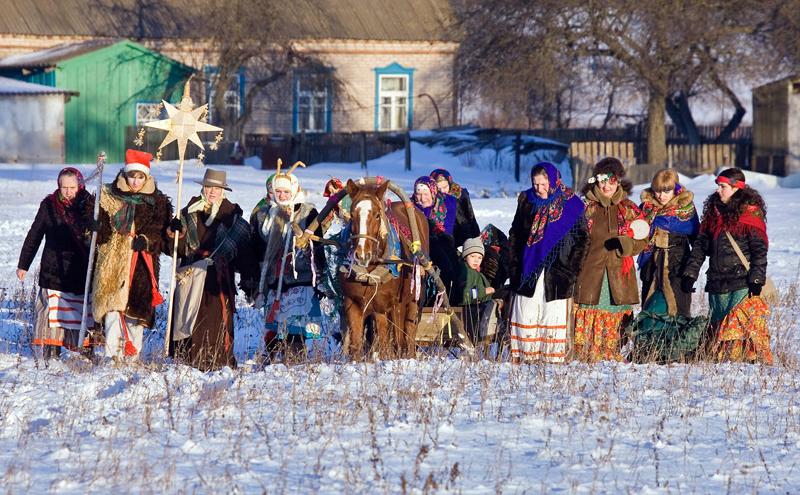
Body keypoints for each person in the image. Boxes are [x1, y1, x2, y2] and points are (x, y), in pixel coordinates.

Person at [682, 167, 772, 363]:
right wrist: (690, 273)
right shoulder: (713, 215)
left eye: (723, 186)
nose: (718, 190)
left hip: (742, 283)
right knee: (718, 328)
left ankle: (743, 365)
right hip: (716, 282)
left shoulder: (750, 214)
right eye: (718, 186)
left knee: (739, 329)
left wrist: (757, 280)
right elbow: (699, 247)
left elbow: (759, 252)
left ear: (736, 188)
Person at [170, 169, 256, 371]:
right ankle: (187, 360)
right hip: (190, 276)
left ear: (223, 190)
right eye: (208, 187)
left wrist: (250, 279)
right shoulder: (187, 214)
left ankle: (217, 361)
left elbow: (245, 253)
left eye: (217, 188)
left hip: (218, 280)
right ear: (203, 188)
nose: (212, 192)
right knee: (188, 317)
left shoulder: (234, 220)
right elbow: (175, 249)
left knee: (215, 320)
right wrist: (174, 234)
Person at [92, 149, 172, 360]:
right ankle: (111, 356)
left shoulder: (157, 201)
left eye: (140, 177)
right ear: (125, 175)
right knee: (112, 310)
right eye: (132, 176)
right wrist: (96, 225)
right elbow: (101, 233)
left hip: (141, 264)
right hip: (113, 261)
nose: (135, 182)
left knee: (135, 314)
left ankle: (132, 357)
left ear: (146, 177)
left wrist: (147, 240)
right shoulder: (108, 196)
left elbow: (160, 233)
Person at [507, 162, 588, 363]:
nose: (539, 189)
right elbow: (516, 232)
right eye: (535, 184)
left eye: (544, 184)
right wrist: (514, 262)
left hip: (559, 268)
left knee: (552, 312)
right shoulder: (527, 199)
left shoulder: (572, 204)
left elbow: (583, 240)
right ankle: (527, 354)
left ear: (553, 181)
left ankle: (551, 357)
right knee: (527, 309)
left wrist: (572, 268)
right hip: (528, 267)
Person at [246, 162, 326, 361]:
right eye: (278, 191)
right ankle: (271, 358)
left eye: (286, 191)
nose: (282, 195)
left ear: (295, 190)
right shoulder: (263, 215)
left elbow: (319, 248)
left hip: (301, 278)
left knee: (296, 328)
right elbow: (254, 247)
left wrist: (320, 275)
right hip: (273, 279)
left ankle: (296, 359)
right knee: (274, 325)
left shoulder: (308, 213)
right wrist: (254, 280)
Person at [574, 157, 647, 362]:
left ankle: (611, 351)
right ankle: (588, 353)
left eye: (611, 181)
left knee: (613, 310)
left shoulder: (629, 208)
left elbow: (643, 237)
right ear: (595, 181)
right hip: (589, 273)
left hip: (618, 272)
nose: (606, 186)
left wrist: (629, 245)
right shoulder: (585, 207)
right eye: (602, 181)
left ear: (619, 181)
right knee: (591, 308)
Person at [17, 167, 94, 360]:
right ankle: (52, 352)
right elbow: (34, 235)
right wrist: (23, 264)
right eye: (64, 187)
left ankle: (84, 351)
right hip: (53, 269)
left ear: (80, 185)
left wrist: (96, 227)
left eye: (72, 187)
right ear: (58, 186)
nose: (68, 191)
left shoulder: (90, 205)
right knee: (52, 312)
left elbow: (103, 236)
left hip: (80, 268)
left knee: (79, 311)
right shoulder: (49, 205)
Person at [638, 169, 699, 316]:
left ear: (675, 189)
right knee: (650, 309)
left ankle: (678, 339)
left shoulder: (686, 210)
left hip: (678, 265)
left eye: (666, 191)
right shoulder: (645, 208)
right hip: (651, 265)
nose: (661, 196)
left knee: (679, 310)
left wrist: (691, 271)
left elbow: (697, 242)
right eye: (658, 191)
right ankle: (651, 339)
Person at [412, 176, 460, 300]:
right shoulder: (409, 207)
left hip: (441, 243)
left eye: (426, 194)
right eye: (418, 194)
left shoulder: (446, 205)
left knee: (448, 267)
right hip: (416, 246)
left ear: (433, 192)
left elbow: (447, 232)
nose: (422, 198)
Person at [456, 237, 497, 343]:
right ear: (465, 256)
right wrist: (484, 291)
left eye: (479, 257)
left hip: (476, 306)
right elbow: (465, 296)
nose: (476, 260)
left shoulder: (474, 271)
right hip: (470, 311)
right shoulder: (466, 272)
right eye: (472, 256)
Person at [430, 168, 480, 246]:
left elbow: (470, 218)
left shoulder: (460, 195)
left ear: (450, 183)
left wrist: (475, 238)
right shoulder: (430, 199)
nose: (442, 191)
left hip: (463, 235)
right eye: (438, 188)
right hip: (442, 239)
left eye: (445, 187)